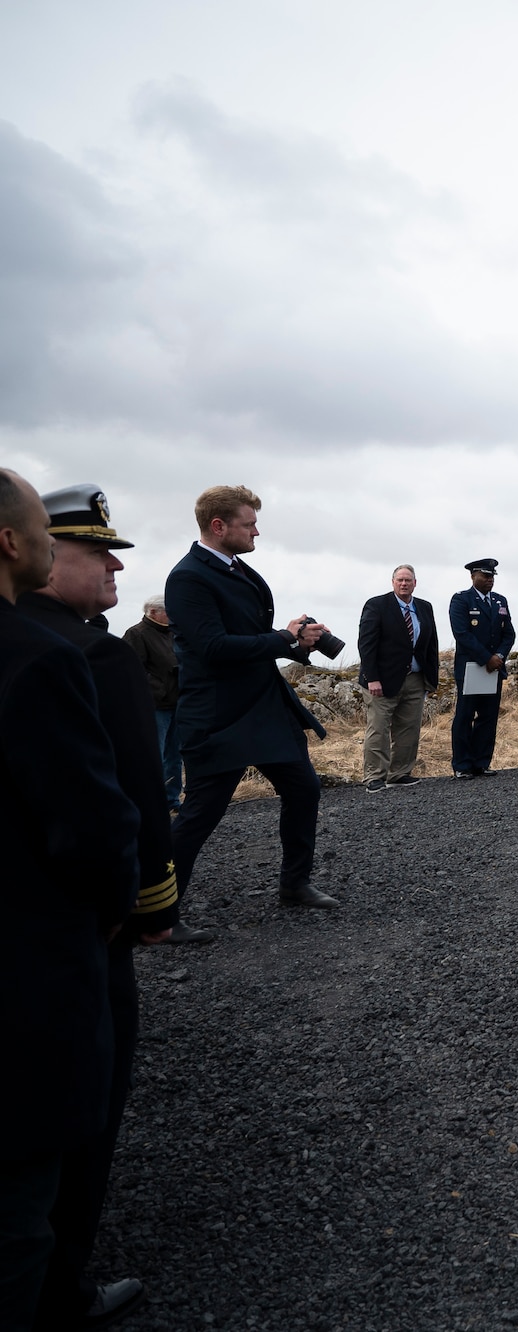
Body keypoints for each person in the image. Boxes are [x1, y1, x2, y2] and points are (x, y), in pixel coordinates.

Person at [22, 485, 190, 1328]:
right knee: (88, 1093)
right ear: (39, 552)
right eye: (99, 552)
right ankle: (65, 1285)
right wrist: (152, 902)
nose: (117, 565)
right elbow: (130, 798)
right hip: (74, 929)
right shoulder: (91, 655)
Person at [0, 470, 142, 1330]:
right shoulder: (43, 657)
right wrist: (121, 905)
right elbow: (95, 827)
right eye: (53, 539)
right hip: (30, 959)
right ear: (17, 544)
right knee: (24, 1197)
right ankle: (60, 1295)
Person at [165, 485, 337, 909]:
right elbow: (213, 648)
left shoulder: (237, 570)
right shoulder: (188, 577)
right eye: (249, 524)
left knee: (304, 789)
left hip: (265, 708)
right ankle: (157, 910)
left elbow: (249, 639)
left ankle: (295, 884)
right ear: (218, 526)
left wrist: (297, 644)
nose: (257, 531)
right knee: (201, 813)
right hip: (220, 716)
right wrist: (282, 637)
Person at [356, 564, 439, 792]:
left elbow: (431, 644)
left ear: (415, 583)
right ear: (393, 582)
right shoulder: (377, 605)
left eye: (408, 580)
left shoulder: (424, 607)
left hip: (415, 678)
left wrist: (431, 679)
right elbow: (366, 644)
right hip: (381, 680)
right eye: (400, 580)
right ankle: (374, 776)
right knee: (378, 728)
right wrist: (372, 677)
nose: (404, 584)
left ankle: (400, 773)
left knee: (409, 729)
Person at [447, 558, 514, 778]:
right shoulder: (461, 600)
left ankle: (481, 762)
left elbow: (508, 634)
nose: (489, 580)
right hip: (471, 668)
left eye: (492, 576)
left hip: (493, 669)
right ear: (473, 576)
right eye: (485, 576)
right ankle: (462, 764)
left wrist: (499, 656)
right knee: (465, 716)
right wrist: (486, 658)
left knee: (488, 717)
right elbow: (462, 634)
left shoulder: (499, 601)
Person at [120, 595, 182, 813]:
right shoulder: (136, 633)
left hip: (177, 702)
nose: (171, 614)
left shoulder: (173, 631)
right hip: (155, 705)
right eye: (167, 611)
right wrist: (159, 687)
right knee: (154, 755)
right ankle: (150, 802)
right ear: (153, 612)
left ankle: (171, 801)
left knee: (175, 756)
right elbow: (131, 669)